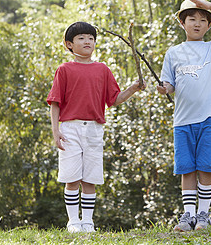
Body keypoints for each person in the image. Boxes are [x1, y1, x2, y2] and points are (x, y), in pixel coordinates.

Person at [47, 21, 146, 233]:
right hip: (69, 128)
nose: (87, 42)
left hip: (94, 128)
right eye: (81, 38)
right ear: (69, 44)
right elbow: (55, 102)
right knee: (72, 176)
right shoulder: (64, 70)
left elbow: (114, 99)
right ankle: (73, 222)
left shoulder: (102, 69)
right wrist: (56, 131)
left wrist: (134, 88)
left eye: (91, 38)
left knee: (90, 177)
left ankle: (88, 222)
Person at [157, 0, 211, 231]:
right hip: (182, 122)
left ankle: (203, 215)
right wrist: (165, 89)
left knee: (207, 168)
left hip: (208, 119)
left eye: (203, 20)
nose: (197, 23)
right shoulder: (173, 53)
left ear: (208, 25)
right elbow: (169, 85)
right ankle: (188, 216)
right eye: (191, 19)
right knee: (186, 169)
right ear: (182, 23)